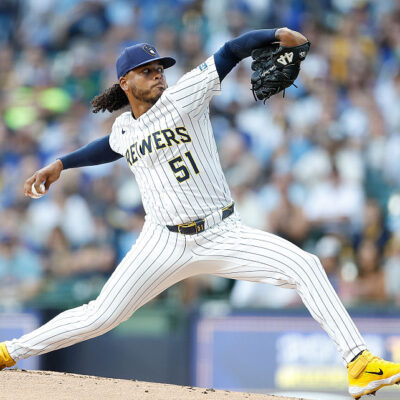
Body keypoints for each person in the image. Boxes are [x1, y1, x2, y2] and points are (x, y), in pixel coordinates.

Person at [0, 27, 399, 400]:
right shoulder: (125, 127)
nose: (158, 75)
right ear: (125, 83)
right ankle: (10, 351)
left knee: (306, 266)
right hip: (163, 242)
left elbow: (229, 51)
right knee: (100, 316)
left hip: (222, 232)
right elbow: (111, 145)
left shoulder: (185, 95)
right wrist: (62, 163)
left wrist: (276, 35)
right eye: (147, 71)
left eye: (160, 69)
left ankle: (359, 363)